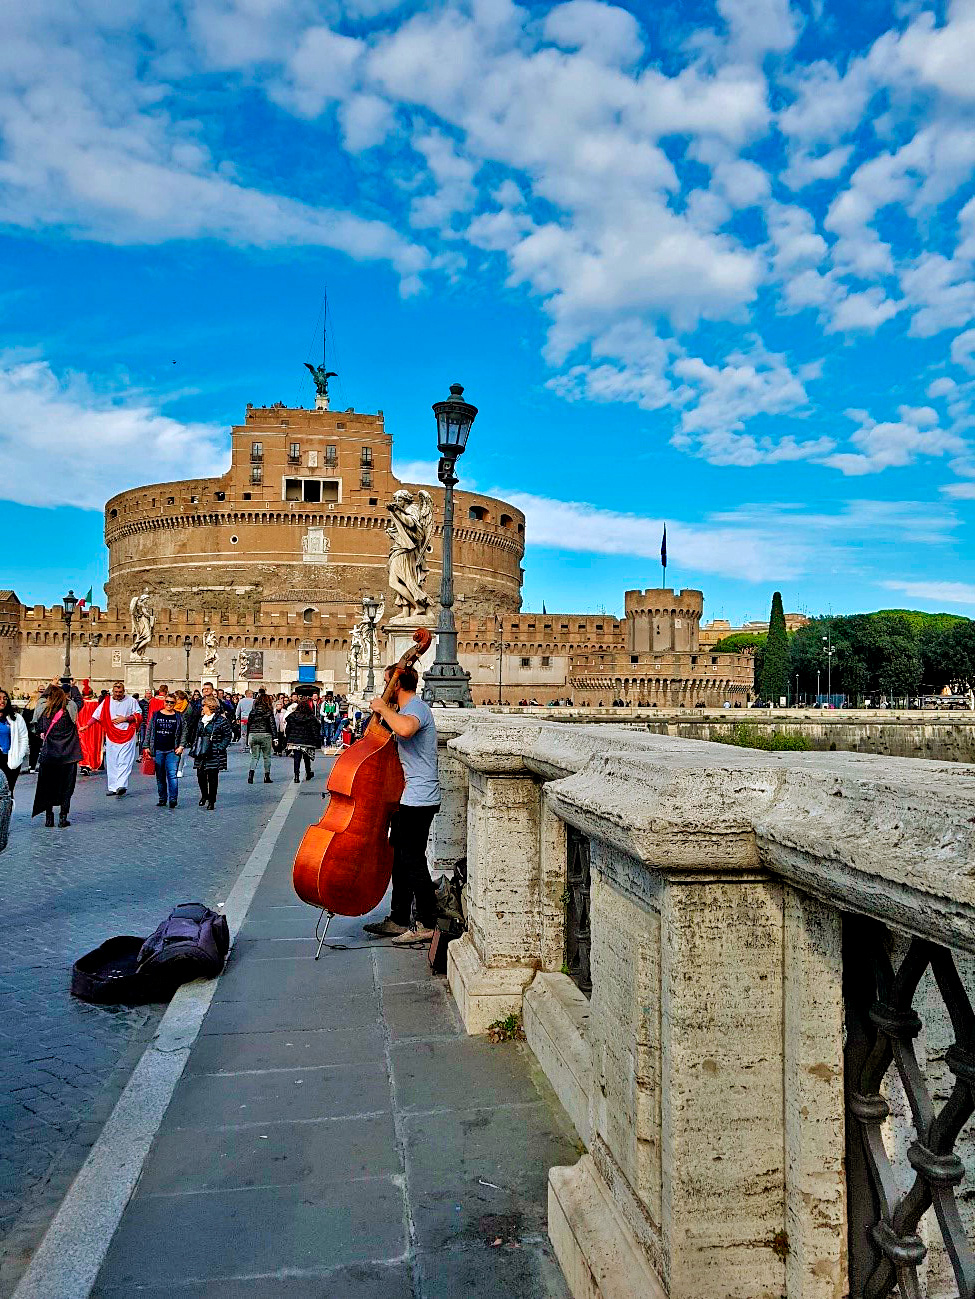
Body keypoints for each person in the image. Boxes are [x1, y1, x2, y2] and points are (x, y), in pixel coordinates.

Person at [363, 665, 441, 945]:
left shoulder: (416, 708)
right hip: (408, 796)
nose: (384, 690)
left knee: (413, 860)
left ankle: (427, 923)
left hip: (421, 798)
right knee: (400, 857)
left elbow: (406, 730)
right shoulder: (403, 711)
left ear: (396, 684)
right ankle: (398, 918)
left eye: (386, 683)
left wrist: (383, 709)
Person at [32, 686, 83, 827]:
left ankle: (49, 817)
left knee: (48, 787)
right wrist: (74, 686)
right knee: (66, 787)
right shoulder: (70, 710)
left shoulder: (43, 712)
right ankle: (63, 817)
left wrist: (51, 685)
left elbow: (38, 728)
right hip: (69, 755)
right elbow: (79, 701)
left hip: (49, 756)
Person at [89, 681, 141, 796]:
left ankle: (121, 785)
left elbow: (138, 715)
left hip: (127, 734)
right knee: (112, 761)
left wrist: (126, 719)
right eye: (116, 692)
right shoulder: (106, 701)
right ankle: (112, 787)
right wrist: (87, 725)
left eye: (120, 692)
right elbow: (96, 715)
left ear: (124, 691)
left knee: (125, 760)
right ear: (113, 691)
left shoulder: (131, 701)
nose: (118, 694)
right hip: (111, 734)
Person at [145, 693, 188, 807]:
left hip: (173, 751)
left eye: (172, 702)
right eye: (167, 702)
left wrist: (181, 746)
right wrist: (146, 746)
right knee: (160, 776)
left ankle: (173, 799)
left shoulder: (179, 716)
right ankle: (162, 798)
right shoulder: (156, 715)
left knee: (172, 775)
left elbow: (184, 732)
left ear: (175, 704)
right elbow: (149, 731)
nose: (169, 704)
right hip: (158, 749)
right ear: (164, 702)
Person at [192, 697, 232, 809]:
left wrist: (220, 747)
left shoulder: (221, 720)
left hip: (214, 752)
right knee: (200, 775)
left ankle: (212, 800)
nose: (202, 708)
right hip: (201, 751)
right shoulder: (201, 720)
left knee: (213, 777)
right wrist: (196, 747)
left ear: (210, 707)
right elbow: (197, 735)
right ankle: (204, 795)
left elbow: (228, 735)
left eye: (204, 706)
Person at [0, 689, 29, 794]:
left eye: (5, 699)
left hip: (10, 758)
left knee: (8, 790)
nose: (2, 701)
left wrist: (20, 755)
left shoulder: (16, 718)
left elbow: (23, 737)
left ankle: (7, 809)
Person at [285, 699, 319, 783]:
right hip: (307, 741)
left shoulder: (292, 716)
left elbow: (288, 729)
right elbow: (315, 730)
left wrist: (288, 737)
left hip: (295, 740)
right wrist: (317, 740)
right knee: (307, 758)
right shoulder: (311, 717)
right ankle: (308, 773)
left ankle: (296, 776)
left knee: (297, 758)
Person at [246, 691, 274, 784]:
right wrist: (275, 737)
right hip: (266, 734)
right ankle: (267, 776)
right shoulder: (268, 711)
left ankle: (251, 776)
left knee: (254, 756)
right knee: (267, 756)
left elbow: (249, 724)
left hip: (253, 734)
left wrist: (247, 737)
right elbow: (272, 725)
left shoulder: (252, 712)